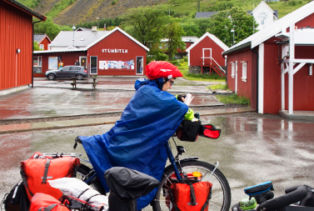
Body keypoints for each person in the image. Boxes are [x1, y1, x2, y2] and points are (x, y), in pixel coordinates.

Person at [78, 61, 189, 210]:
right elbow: (178, 107)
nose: (171, 86)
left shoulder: (148, 90)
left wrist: (175, 100)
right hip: (124, 141)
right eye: (171, 82)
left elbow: (160, 106)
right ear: (162, 79)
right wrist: (184, 104)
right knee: (137, 161)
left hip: (121, 136)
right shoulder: (150, 93)